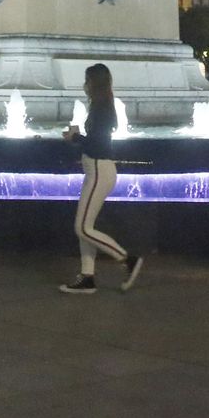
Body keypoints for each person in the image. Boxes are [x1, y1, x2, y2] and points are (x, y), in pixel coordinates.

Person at [60, 63, 143, 295]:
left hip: (99, 170)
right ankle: (87, 277)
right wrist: (78, 137)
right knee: (85, 226)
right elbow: (98, 139)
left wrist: (76, 137)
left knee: (82, 228)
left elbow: (97, 144)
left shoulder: (102, 109)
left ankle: (127, 260)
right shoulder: (102, 106)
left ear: (93, 83)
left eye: (87, 80)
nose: (84, 85)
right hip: (96, 170)